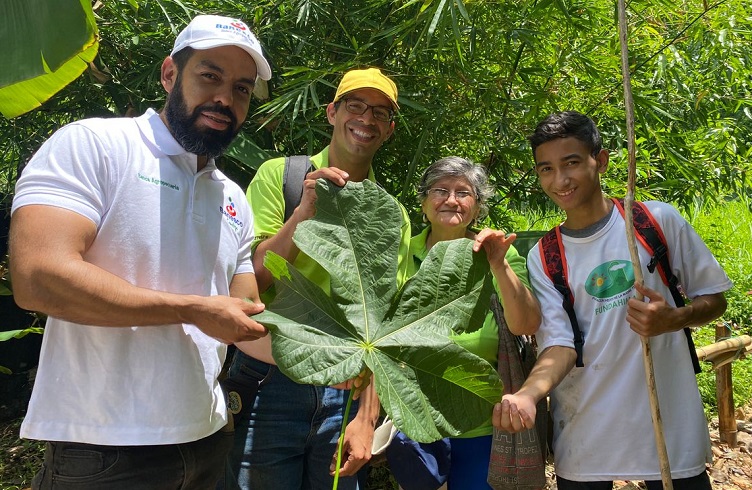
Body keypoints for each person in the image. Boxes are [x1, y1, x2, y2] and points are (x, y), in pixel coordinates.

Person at [9, 14, 272, 489]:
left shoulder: (232, 197)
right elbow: (38, 276)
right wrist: (190, 309)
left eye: (241, 89)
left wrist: (339, 361)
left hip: (207, 438)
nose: (224, 99)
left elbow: (247, 321)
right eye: (210, 76)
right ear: (170, 73)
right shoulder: (95, 144)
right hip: (105, 445)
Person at [492, 111, 732, 489]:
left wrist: (675, 317)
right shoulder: (546, 254)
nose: (560, 180)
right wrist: (527, 395)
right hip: (586, 434)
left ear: (599, 160)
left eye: (571, 163)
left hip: (669, 428)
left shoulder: (654, 221)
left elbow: (714, 300)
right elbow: (559, 345)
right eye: (546, 169)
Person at [224, 67, 411, 490]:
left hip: (344, 394)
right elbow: (254, 280)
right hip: (269, 382)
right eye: (356, 105)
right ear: (332, 112)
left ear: (389, 130)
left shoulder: (391, 214)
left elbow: (387, 326)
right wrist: (302, 214)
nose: (366, 119)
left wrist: (367, 419)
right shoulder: (282, 176)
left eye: (380, 113)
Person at [403, 156, 541, 489]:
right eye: (440, 190)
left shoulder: (500, 253)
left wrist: (497, 264)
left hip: (483, 426)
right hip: (412, 424)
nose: (451, 200)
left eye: (463, 192)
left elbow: (526, 324)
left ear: (477, 207)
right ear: (423, 202)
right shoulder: (401, 254)